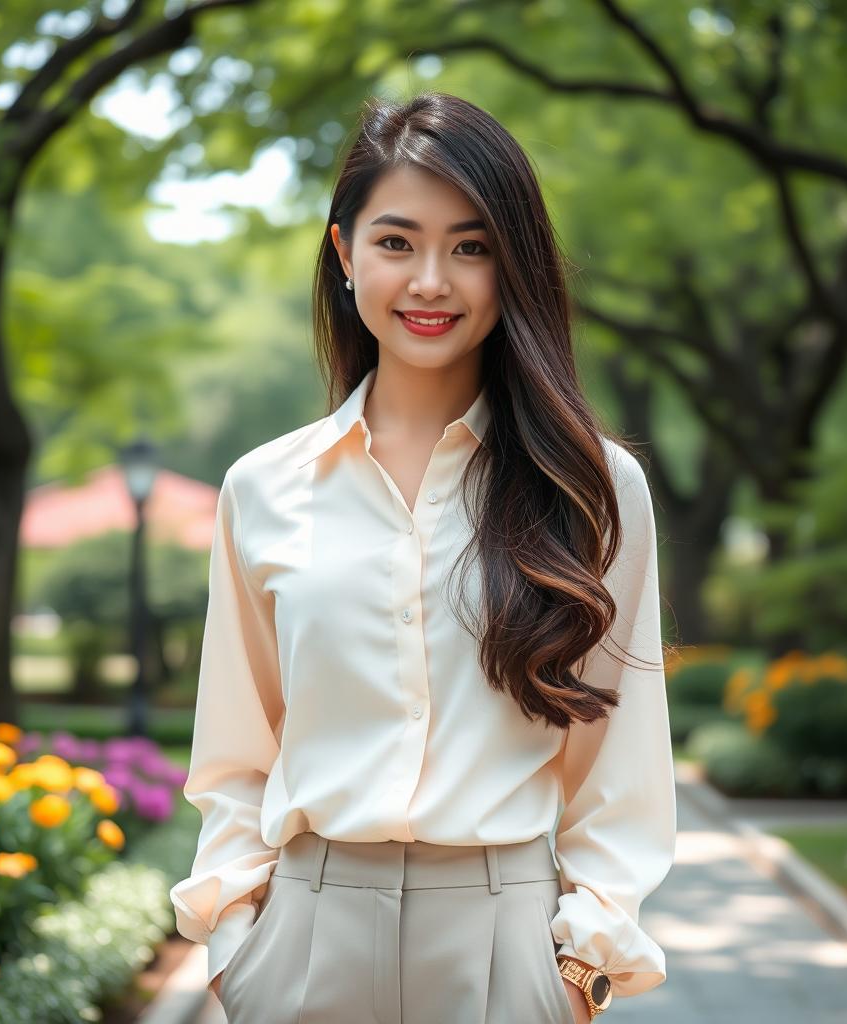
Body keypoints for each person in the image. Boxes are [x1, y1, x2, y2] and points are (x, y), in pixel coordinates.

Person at [169, 90, 677, 1024]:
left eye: (471, 246)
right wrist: (237, 949)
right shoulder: (263, 488)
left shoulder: (590, 489)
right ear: (343, 251)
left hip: (506, 949)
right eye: (396, 242)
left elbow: (621, 764)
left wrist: (577, 979)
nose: (431, 281)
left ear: (512, 263)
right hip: (302, 947)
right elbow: (238, 750)